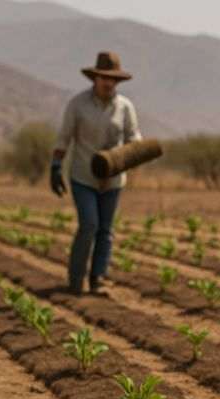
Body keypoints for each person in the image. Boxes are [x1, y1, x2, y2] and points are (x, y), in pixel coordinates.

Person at [51, 51, 142, 295]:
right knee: (89, 224)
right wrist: (56, 166)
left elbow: (134, 137)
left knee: (106, 229)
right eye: (104, 78)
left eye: (113, 79)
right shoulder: (77, 104)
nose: (108, 83)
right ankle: (76, 278)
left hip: (113, 179)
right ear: (95, 78)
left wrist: (131, 154)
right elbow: (65, 137)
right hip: (83, 175)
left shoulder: (125, 107)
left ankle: (98, 278)